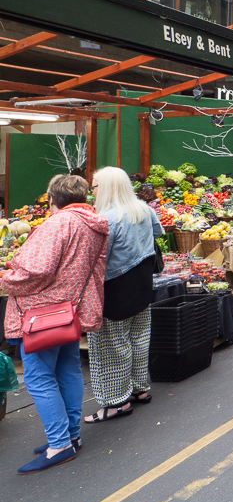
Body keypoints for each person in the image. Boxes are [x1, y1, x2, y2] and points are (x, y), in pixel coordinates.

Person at [0, 175, 109, 474]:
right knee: (68, 369)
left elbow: (37, 270)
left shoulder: (58, 223)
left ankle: (59, 444)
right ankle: (71, 435)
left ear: (52, 199)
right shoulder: (93, 222)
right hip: (69, 312)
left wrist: (5, 279)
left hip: (42, 314)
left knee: (38, 378)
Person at [84, 167, 164, 425]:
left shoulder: (107, 218)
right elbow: (159, 235)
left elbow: (95, 257)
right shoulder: (143, 209)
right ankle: (140, 389)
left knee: (111, 346)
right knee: (139, 337)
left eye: (94, 186)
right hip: (142, 284)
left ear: (106, 188)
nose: (92, 191)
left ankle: (116, 402)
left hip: (115, 289)